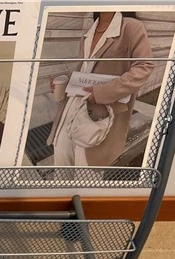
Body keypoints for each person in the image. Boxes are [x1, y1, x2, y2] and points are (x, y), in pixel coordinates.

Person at [48, 11, 154, 167]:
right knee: (61, 164)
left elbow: (144, 66)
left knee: (86, 172)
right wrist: (66, 83)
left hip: (99, 115)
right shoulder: (89, 32)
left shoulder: (131, 27)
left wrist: (103, 92)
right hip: (70, 109)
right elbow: (86, 69)